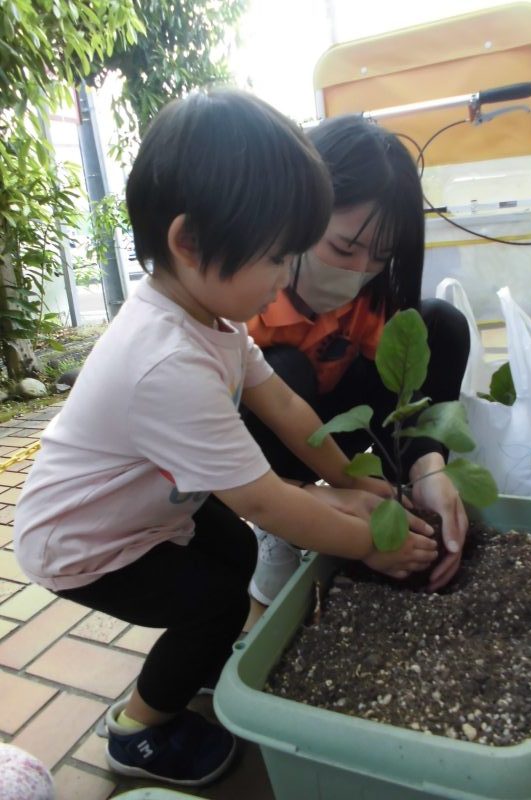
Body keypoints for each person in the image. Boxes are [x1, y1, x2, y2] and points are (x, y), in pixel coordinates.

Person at [13, 91, 438, 789]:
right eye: (276, 257)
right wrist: (371, 542)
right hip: (85, 543)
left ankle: (196, 663)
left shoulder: (211, 320)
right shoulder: (164, 360)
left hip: (145, 509)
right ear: (188, 242)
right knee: (209, 605)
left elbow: (287, 407)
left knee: (234, 551)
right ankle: (138, 729)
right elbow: (268, 502)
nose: (284, 278)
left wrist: (354, 481)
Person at [246, 114, 471, 604]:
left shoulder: (371, 299)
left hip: (333, 427)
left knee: (440, 325)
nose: (359, 271)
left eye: (380, 256)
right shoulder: (246, 303)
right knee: (282, 371)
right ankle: (280, 523)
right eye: (344, 247)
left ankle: (402, 495)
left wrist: (427, 464)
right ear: (296, 214)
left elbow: (406, 392)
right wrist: (314, 504)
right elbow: (210, 455)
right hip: (263, 452)